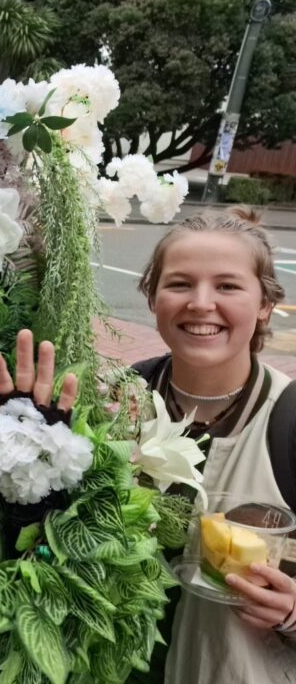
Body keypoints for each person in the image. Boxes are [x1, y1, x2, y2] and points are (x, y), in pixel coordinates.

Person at [132, 207, 296, 683]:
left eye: (227, 286)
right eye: (180, 284)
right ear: (153, 297)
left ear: (265, 304)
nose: (201, 303)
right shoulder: (117, 399)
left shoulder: (287, 422)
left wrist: (291, 615)